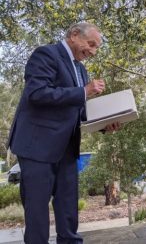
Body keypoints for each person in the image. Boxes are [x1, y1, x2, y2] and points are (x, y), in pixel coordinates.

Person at [7, 22, 120, 244]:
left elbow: (76, 108)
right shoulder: (46, 54)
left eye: (96, 47)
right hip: (37, 147)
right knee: (37, 212)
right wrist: (84, 91)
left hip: (67, 148)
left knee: (68, 209)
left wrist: (104, 125)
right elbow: (37, 94)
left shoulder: (81, 69)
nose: (93, 52)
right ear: (74, 35)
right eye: (91, 44)